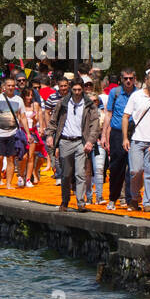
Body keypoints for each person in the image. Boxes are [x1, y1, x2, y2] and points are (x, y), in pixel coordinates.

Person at [51, 77, 100, 212]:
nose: (77, 92)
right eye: (75, 90)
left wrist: (90, 141)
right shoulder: (63, 103)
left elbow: (95, 124)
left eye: (79, 89)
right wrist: (50, 135)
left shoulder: (89, 105)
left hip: (80, 142)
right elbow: (54, 120)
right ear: (70, 90)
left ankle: (80, 202)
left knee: (80, 173)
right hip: (65, 141)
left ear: (83, 89)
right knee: (66, 174)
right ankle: (65, 201)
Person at [121, 70, 150, 212]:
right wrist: (125, 138)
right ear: (146, 80)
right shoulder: (136, 96)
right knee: (135, 170)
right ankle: (134, 197)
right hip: (137, 140)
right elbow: (126, 116)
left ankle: (148, 203)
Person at [103, 69, 137, 209]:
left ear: (135, 79)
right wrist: (104, 135)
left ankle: (130, 199)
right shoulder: (115, 93)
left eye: (130, 78)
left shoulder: (139, 94)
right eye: (125, 78)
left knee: (134, 168)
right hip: (117, 133)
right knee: (116, 167)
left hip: (134, 133)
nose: (128, 81)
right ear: (121, 80)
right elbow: (108, 115)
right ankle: (113, 198)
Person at [0, 77, 26, 189]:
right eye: (9, 85)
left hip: (13, 134)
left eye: (13, 85)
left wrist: (27, 132)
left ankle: (8, 183)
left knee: (11, 158)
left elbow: (22, 116)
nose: (11, 87)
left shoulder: (19, 100)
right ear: (4, 87)